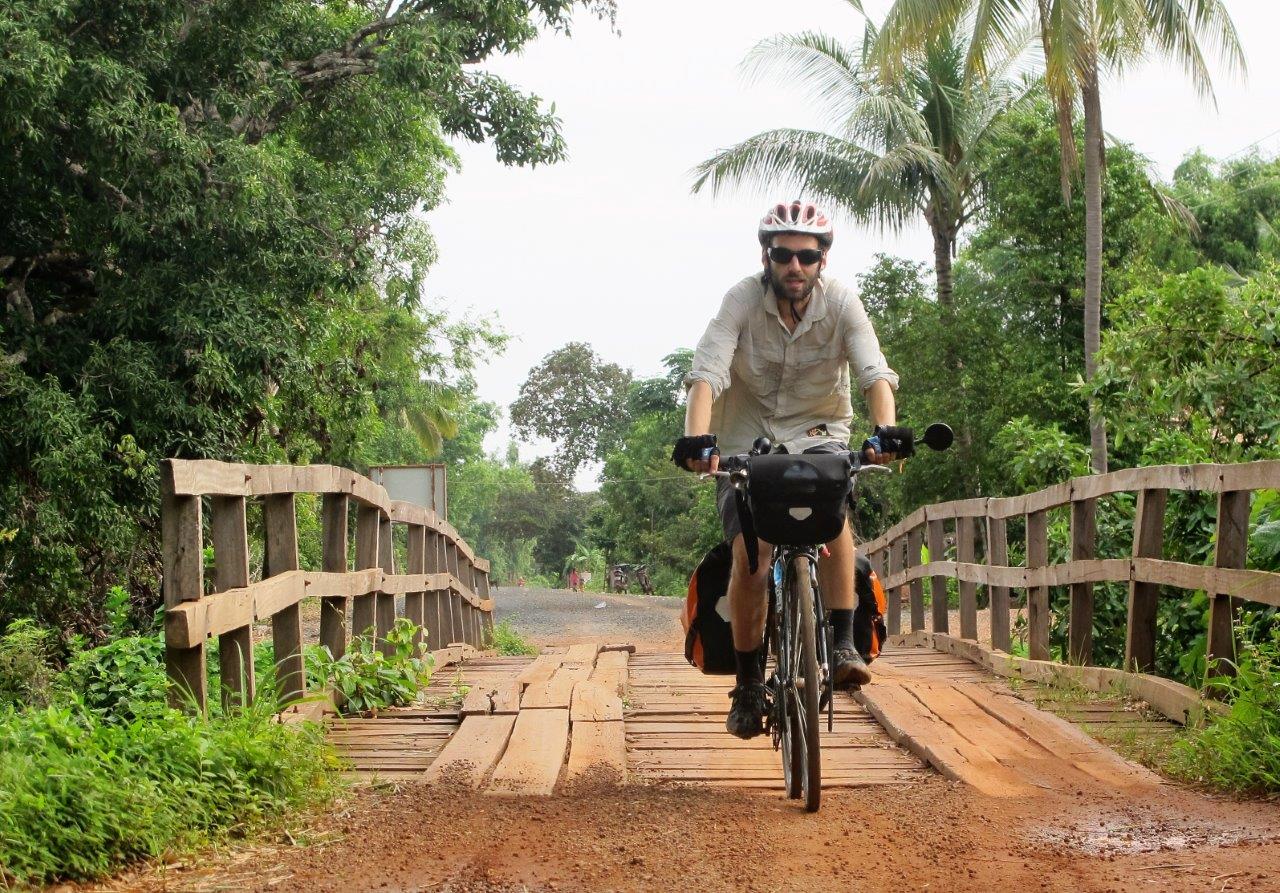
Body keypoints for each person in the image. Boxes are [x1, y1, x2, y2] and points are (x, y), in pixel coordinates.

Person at [673, 200, 913, 740]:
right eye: (784, 255)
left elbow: (875, 372)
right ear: (767, 255)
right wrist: (698, 439)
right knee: (751, 557)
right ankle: (749, 685)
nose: (795, 267)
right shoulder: (739, 300)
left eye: (807, 256)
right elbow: (706, 374)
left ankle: (844, 642)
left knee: (837, 518)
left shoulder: (844, 304)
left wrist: (885, 433)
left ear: (823, 260)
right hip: (744, 444)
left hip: (820, 435)